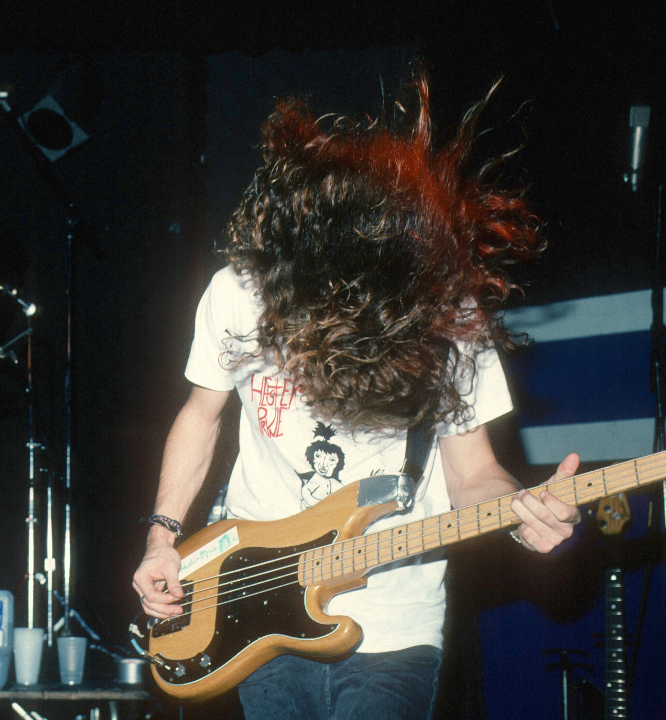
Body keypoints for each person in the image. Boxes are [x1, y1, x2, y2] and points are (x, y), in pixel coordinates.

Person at [131, 73, 582, 719]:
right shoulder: (239, 291)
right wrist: (162, 537)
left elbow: (474, 473)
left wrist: (521, 513)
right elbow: (202, 415)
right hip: (252, 595)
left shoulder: (447, 315)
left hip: (395, 618)